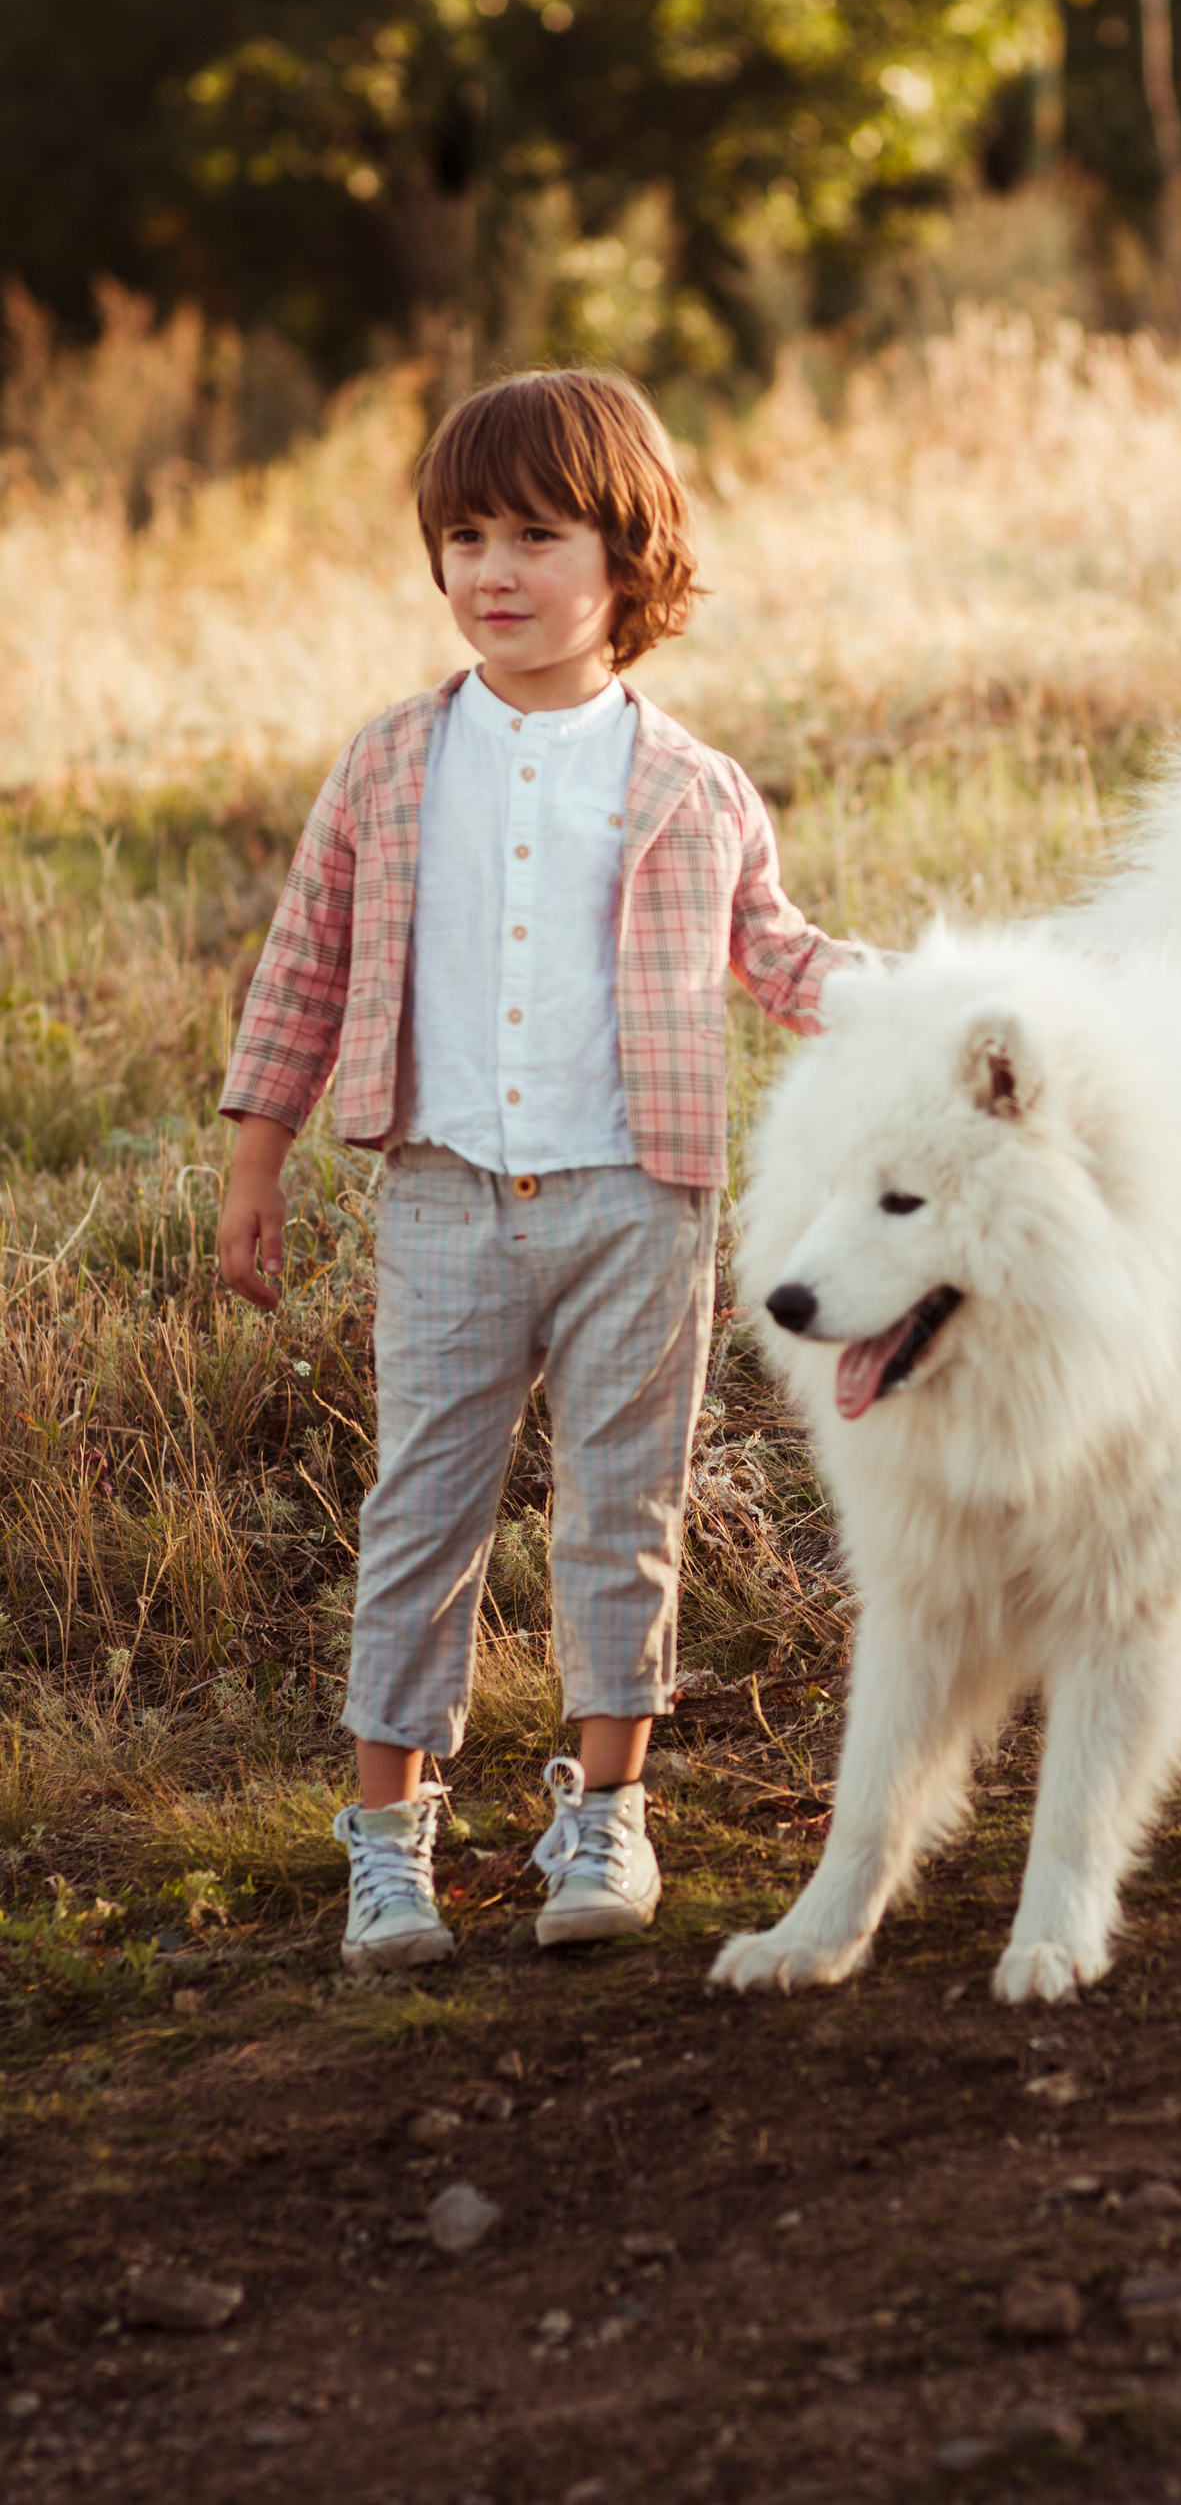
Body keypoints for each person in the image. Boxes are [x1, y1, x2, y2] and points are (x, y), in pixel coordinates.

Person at [216, 368, 866, 1971]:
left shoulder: (688, 786)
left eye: (534, 533)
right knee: (421, 1507)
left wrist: (919, 1000)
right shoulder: (392, 764)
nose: (491, 572)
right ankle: (391, 1838)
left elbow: (774, 955)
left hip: (638, 1197)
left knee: (620, 1510)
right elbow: (305, 965)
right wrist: (258, 1162)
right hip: (444, 1190)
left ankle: (604, 1813)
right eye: (462, 537)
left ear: (627, 561)